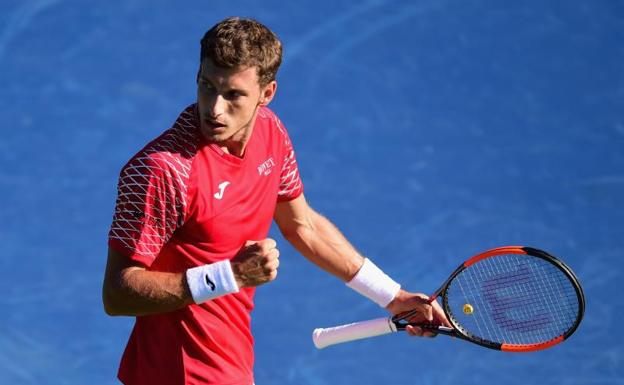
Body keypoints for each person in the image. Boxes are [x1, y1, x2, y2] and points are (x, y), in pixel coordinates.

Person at [102, 16, 450, 385]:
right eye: (206, 86)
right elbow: (118, 294)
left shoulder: (271, 133)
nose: (214, 108)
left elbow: (303, 226)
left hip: (231, 360)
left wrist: (392, 297)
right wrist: (229, 275)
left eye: (233, 94)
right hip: (179, 372)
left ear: (266, 94)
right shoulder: (163, 171)